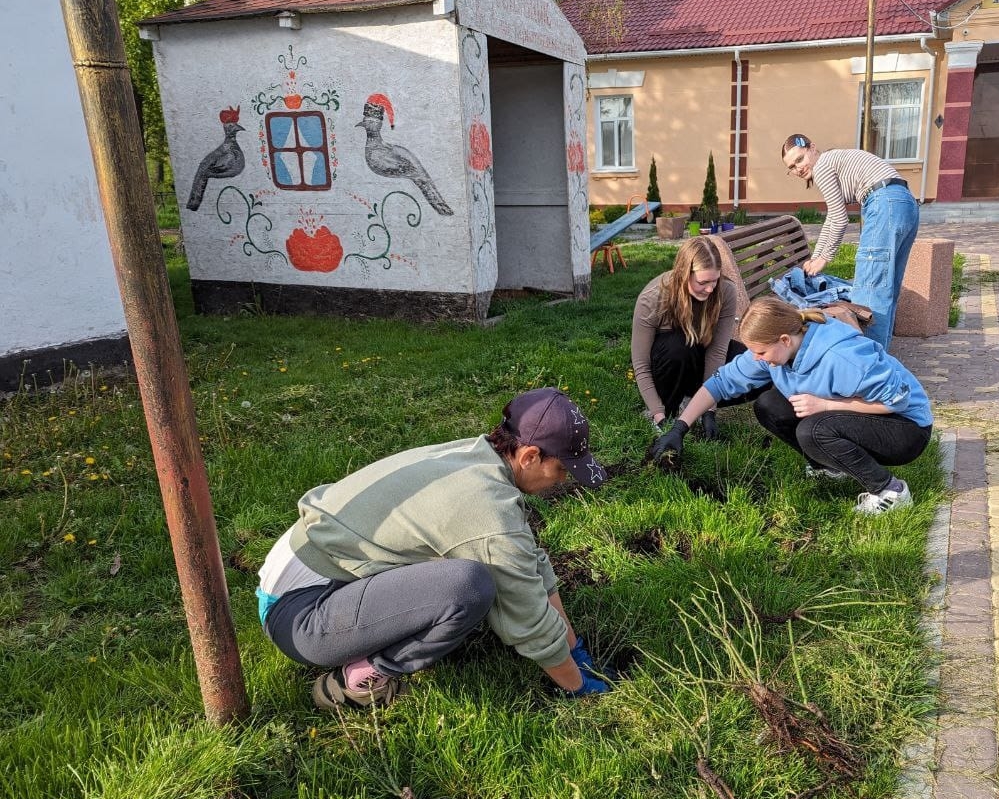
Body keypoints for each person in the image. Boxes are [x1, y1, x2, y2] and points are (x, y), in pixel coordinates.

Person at [255, 388, 613, 710]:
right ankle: (358, 680)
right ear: (529, 456)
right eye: (562, 469)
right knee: (468, 588)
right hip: (302, 615)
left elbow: (533, 567)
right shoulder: (487, 510)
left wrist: (573, 646)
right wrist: (577, 686)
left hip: (314, 569)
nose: (562, 481)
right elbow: (526, 616)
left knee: (477, 574)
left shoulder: (477, 457)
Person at [649, 295, 933, 514]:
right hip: (870, 414)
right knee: (770, 405)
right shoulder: (782, 347)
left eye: (760, 351)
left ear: (784, 340)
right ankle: (828, 468)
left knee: (813, 430)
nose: (756, 358)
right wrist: (679, 428)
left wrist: (825, 405)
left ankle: (889, 491)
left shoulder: (843, 357)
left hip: (906, 429)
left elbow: (897, 400)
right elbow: (721, 382)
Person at [781, 134, 919, 350]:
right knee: (886, 286)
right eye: (792, 167)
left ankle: (869, 364)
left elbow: (839, 218)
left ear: (812, 148)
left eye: (799, 159)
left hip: (883, 203)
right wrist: (816, 255)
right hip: (904, 203)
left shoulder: (823, 165)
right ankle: (881, 356)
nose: (798, 168)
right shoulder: (833, 160)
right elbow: (831, 218)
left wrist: (824, 258)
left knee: (870, 291)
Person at [631, 236, 748, 440]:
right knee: (679, 345)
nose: (710, 289)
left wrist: (710, 409)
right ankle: (666, 408)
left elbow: (717, 351)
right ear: (684, 274)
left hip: (701, 355)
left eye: (715, 280)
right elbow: (640, 364)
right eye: (703, 282)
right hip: (670, 363)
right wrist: (658, 413)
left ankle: (694, 401)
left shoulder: (725, 292)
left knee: (750, 364)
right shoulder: (652, 298)